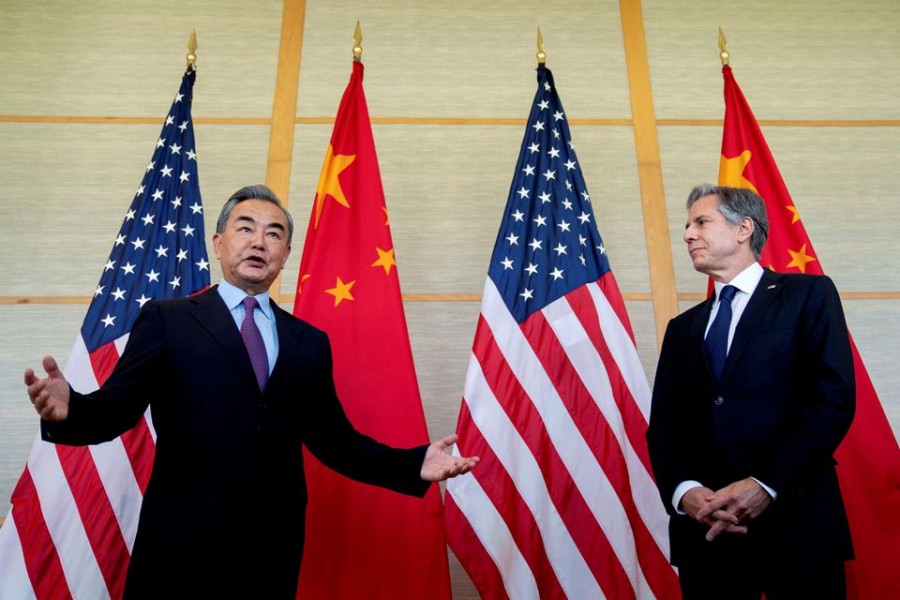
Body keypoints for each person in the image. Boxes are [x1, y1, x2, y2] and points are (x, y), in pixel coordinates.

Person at [25, 184, 478, 599]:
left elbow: (336, 442)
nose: (259, 242)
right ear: (219, 244)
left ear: (285, 255)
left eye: (274, 234)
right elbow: (115, 410)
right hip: (180, 544)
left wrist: (413, 463)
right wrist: (70, 411)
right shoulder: (168, 319)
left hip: (271, 550)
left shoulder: (309, 341)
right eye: (246, 228)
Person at [646, 184, 855, 599]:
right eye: (687, 225)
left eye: (701, 222)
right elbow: (664, 428)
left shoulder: (807, 295)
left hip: (797, 524)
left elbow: (831, 399)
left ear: (743, 229)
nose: (687, 234)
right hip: (706, 534)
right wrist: (685, 493)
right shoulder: (681, 329)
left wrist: (765, 484)